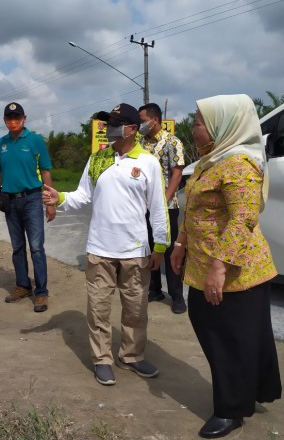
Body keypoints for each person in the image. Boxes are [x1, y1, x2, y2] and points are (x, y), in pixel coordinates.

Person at [170, 95, 281, 438]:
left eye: (200, 122)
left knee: (228, 336)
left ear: (223, 127)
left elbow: (242, 219)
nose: (194, 127)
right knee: (237, 333)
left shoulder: (239, 164)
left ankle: (231, 408)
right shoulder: (209, 161)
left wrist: (218, 267)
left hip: (237, 271)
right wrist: (180, 244)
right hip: (208, 263)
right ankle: (254, 390)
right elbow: (192, 209)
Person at [42, 103, 169, 386]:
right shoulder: (97, 159)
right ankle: (102, 359)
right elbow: (83, 197)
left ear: (132, 129)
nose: (108, 129)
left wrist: (159, 246)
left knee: (136, 309)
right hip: (100, 250)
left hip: (135, 252)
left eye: (114, 124)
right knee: (98, 308)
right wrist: (59, 199)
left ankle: (132, 356)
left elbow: (158, 208)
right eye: (107, 123)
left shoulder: (148, 162)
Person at [0, 102, 56, 313]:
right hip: (10, 201)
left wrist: (50, 202)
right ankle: (23, 286)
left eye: (17, 117)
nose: (13, 121)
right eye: (9, 118)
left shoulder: (34, 140)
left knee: (36, 247)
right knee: (17, 247)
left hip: (33, 198)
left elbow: (45, 171)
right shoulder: (1, 144)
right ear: (5, 121)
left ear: (24, 119)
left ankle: (41, 292)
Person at [139, 103, 187, 314]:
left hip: (167, 206)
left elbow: (177, 174)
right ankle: (155, 289)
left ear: (154, 120)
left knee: (168, 250)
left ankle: (177, 296)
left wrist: (164, 200)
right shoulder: (141, 142)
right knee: (149, 247)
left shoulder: (172, 142)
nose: (140, 125)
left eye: (142, 121)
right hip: (144, 206)